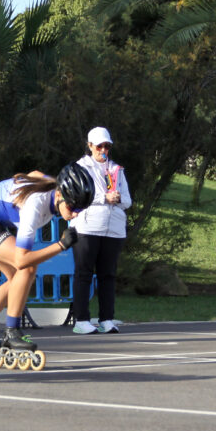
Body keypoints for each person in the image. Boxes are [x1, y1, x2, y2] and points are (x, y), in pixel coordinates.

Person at [0, 163, 95, 363]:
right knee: (27, 268)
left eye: (81, 209)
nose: (75, 213)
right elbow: (22, 259)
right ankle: (12, 332)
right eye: (73, 207)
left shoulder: (52, 188)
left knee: (15, 281)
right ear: (59, 196)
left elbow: (35, 174)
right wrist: (61, 245)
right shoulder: (35, 206)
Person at [69, 127, 132, 335]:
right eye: (99, 146)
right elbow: (76, 197)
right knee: (84, 273)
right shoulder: (80, 167)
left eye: (107, 146)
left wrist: (118, 198)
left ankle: (106, 319)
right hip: (87, 228)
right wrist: (103, 198)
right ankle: (81, 320)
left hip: (113, 230)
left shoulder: (116, 169)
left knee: (108, 275)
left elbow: (128, 200)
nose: (103, 150)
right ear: (90, 146)